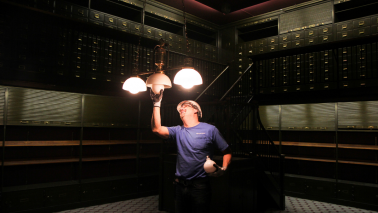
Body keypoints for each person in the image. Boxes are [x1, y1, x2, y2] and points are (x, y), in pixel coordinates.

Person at [150, 89, 232, 213]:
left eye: (186, 106)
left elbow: (227, 151)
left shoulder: (210, 129)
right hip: (179, 185)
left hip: (200, 186)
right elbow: (156, 129)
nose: (182, 108)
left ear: (196, 111)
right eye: (180, 108)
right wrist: (156, 103)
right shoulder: (178, 130)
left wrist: (224, 168)